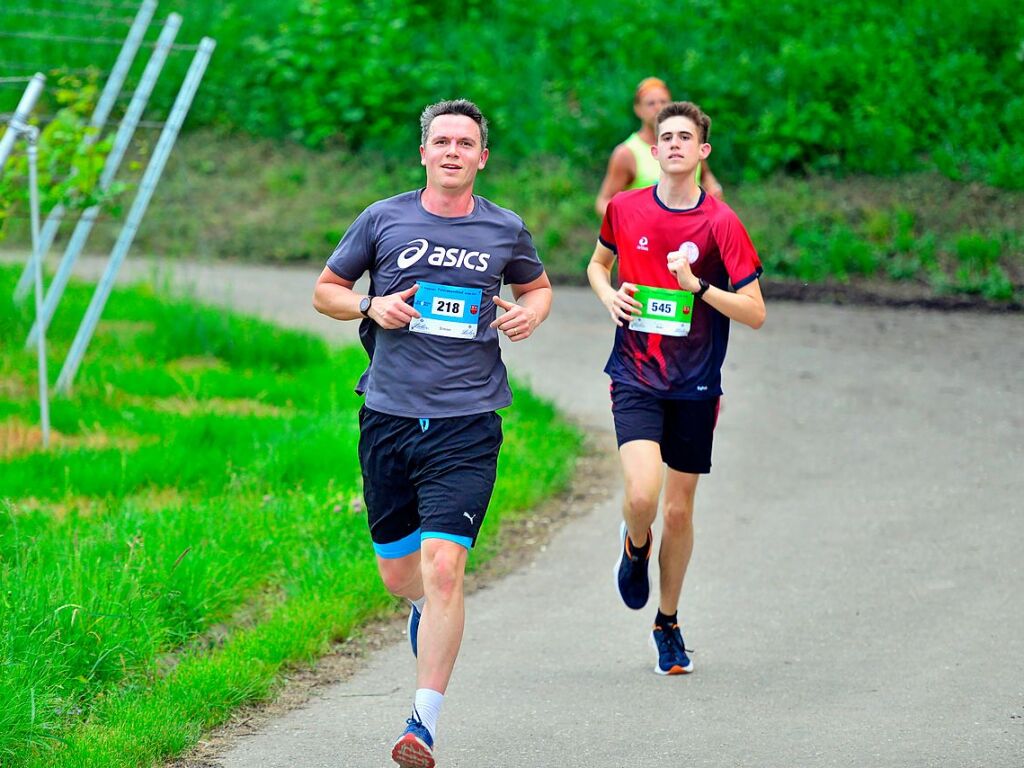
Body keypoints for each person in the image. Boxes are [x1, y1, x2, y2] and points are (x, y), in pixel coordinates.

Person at [313, 99, 552, 768]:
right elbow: (326, 290)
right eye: (440, 140)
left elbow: (538, 288)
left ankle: (422, 724)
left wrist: (529, 314)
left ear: (481, 157)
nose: (452, 150)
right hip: (388, 418)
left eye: (465, 142)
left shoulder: (505, 228)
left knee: (445, 566)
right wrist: (370, 303)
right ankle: (419, 605)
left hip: (467, 423)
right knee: (402, 576)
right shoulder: (383, 219)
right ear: (424, 153)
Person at [586, 101, 765, 676]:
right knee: (642, 496)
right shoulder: (625, 207)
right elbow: (597, 265)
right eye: (666, 137)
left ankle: (668, 623)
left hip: (695, 384)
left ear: (702, 151)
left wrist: (701, 287)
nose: (675, 145)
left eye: (686, 137)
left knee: (680, 513)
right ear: (654, 148)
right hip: (636, 374)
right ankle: (635, 545)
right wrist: (609, 294)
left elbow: (755, 312)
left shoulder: (721, 223)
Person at [595, 77, 723, 218]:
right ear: (638, 110)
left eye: (664, 102)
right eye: (651, 103)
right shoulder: (627, 153)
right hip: (647, 237)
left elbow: (705, 175)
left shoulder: (687, 145)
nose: (658, 107)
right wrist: (631, 222)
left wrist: (714, 188)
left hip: (692, 234)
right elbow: (603, 201)